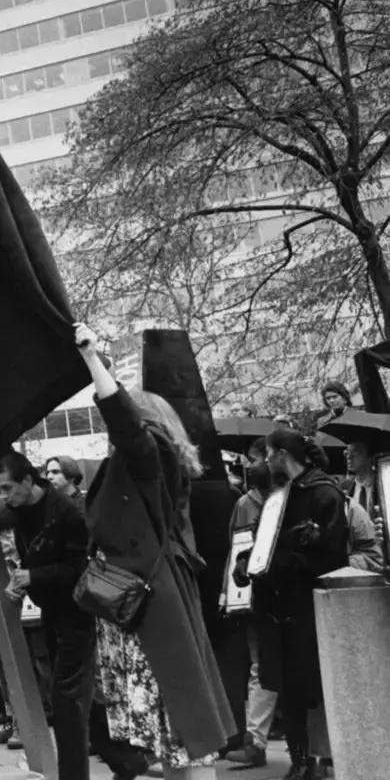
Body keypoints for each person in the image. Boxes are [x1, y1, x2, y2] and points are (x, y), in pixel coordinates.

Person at [76, 323, 234, 780]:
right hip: (143, 596)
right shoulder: (151, 466)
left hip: (148, 600)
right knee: (174, 733)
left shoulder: (149, 455)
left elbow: (126, 427)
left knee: (180, 725)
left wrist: (93, 362)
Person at [237, 427, 348, 780]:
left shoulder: (323, 493)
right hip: (277, 608)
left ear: (282, 455)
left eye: (268, 455)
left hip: (307, 611)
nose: (265, 463)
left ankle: (325, 760)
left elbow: (331, 556)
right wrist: (247, 562)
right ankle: (300, 760)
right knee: (288, 689)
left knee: (313, 688)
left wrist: (282, 558)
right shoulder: (277, 495)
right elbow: (260, 540)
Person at [0, 451, 96, 780]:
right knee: (71, 695)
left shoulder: (68, 512)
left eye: (9, 488)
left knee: (66, 701)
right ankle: (122, 758)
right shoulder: (16, 509)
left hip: (78, 611)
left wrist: (33, 577)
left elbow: (78, 568)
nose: (6, 496)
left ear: (28, 480)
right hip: (48, 609)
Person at [223, 440, 280, 770]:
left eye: (256, 459)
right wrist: (229, 594)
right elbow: (236, 548)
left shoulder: (289, 497)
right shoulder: (244, 502)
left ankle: (316, 748)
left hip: (283, 594)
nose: (250, 466)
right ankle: (255, 742)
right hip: (255, 597)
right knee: (259, 668)